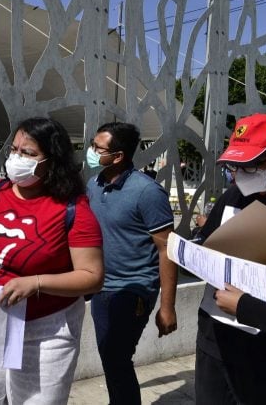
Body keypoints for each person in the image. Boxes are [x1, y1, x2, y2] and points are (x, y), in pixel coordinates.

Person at [0, 117, 104, 404]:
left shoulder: (73, 208)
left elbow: (92, 275)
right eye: (15, 149)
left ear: (52, 161)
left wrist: (35, 283)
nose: (16, 158)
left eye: (28, 153)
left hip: (46, 328)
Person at [85, 122, 177, 405]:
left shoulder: (147, 192)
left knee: (116, 356)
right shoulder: (93, 183)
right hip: (101, 287)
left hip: (133, 290)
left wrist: (167, 306)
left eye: (97, 148)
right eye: (92, 145)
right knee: (111, 357)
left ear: (118, 156)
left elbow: (167, 250)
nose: (91, 152)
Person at [194, 113, 266, 404]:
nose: (241, 174)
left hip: (264, 354)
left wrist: (244, 306)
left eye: (252, 165)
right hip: (216, 341)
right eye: (235, 166)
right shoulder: (233, 196)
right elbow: (208, 243)